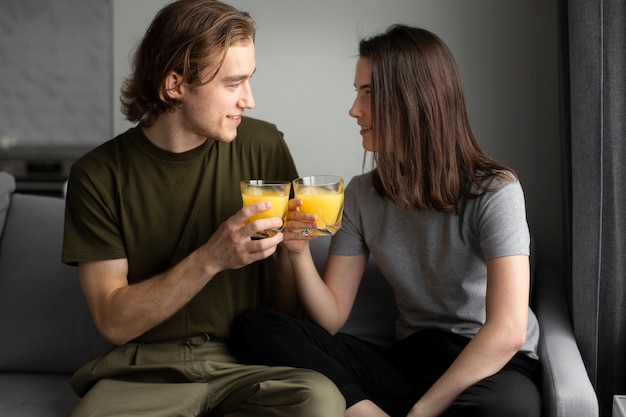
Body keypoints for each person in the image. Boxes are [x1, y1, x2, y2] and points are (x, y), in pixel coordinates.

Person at [229, 25, 542, 417]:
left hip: (490, 365)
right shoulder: (362, 194)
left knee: (508, 407)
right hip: (411, 360)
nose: (354, 109)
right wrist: (297, 253)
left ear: (414, 100)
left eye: (369, 94)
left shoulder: (496, 191)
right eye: (357, 92)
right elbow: (331, 318)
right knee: (256, 327)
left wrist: (424, 410)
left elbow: (507, 331)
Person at [61, 1, 345, 416]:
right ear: (174, 85)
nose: (248, 99)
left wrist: (291, 251)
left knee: (319, 401)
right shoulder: (97, 175)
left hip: (252, 361)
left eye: (249, 80)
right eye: (233, 83)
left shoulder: (263, 147)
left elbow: (286, 313)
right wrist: (212, 257)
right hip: (147, 372)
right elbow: (113, 322)